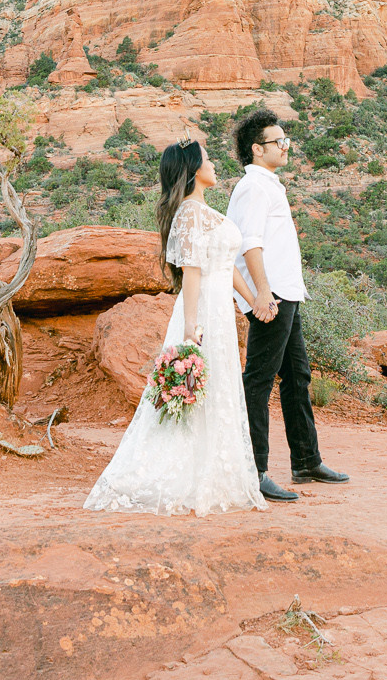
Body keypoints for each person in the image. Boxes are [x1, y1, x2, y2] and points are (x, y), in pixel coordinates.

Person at [82, 138, 266, 516]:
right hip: (204, 311)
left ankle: (217, 472)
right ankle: (185, 476)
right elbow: (192, 273)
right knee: (199, 389)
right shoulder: (188, 214)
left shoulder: (203, 211)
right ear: (194, 169)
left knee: (219, 389)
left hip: (220, 308)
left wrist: (253, 302)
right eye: (209, 160)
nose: (215, 165)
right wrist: (190, 327)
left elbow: (226, 264)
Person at [228, 107, 350, 502]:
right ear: (257, 149)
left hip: (288, 293)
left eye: (286, 140)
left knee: (297, 378)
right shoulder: (253, 187)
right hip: (273, 296)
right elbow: (250, 243)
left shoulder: (269, 184)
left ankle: (305, 460)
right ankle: (254, 469)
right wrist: (262, 292)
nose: (286, 146)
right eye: (279, 141)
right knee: (259, 381)